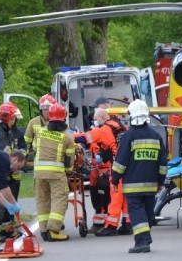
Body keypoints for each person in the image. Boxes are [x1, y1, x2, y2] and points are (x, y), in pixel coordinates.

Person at [111, 100, 167, 253]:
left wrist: (114, 178)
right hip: (151, 184)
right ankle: (145, 238)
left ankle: (142, 242)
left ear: (131, 116)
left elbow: (120, 161)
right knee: (148, 212)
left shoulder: (128, 136)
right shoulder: (156, 136)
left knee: (136, 212)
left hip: (132, 185)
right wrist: (160, 182)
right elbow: (163, 163)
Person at [74, 108, 130, 236]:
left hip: (116, 167)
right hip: (129, 166)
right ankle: (128, 224)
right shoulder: (124, 128)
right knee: (126, 196)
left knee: (115, 196)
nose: (95, 121)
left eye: (96, 118)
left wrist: (68, 136)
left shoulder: (104, 130)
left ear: (102, 118)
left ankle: (111, 225)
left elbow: (84, 138)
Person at [34, 102, 76, 242]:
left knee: (42, 200)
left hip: (39, 173)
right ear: (64, 118)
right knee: (59, 200)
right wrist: (69, 172)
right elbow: (69, 160)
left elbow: (36, 148)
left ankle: (44, 230)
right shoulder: (67, 137)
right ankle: (53, 230)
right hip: (56, 174)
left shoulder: (40, 132)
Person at [0, 102, 26, 230]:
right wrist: (16, 160)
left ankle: (6, 230)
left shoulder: (6, 130)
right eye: (12, 118)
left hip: (4, 170)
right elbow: (6, 151)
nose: (14, 121)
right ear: (7, 118)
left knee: (8, 203)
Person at [25, 93, 56, 160]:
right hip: (38, 155)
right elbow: (27, 141)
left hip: (54, 154)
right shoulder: (33, 122)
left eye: (49, 109)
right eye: (44, 109)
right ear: (40, 110)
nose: (47, 112)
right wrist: (26, 156)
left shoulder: (59, 122)